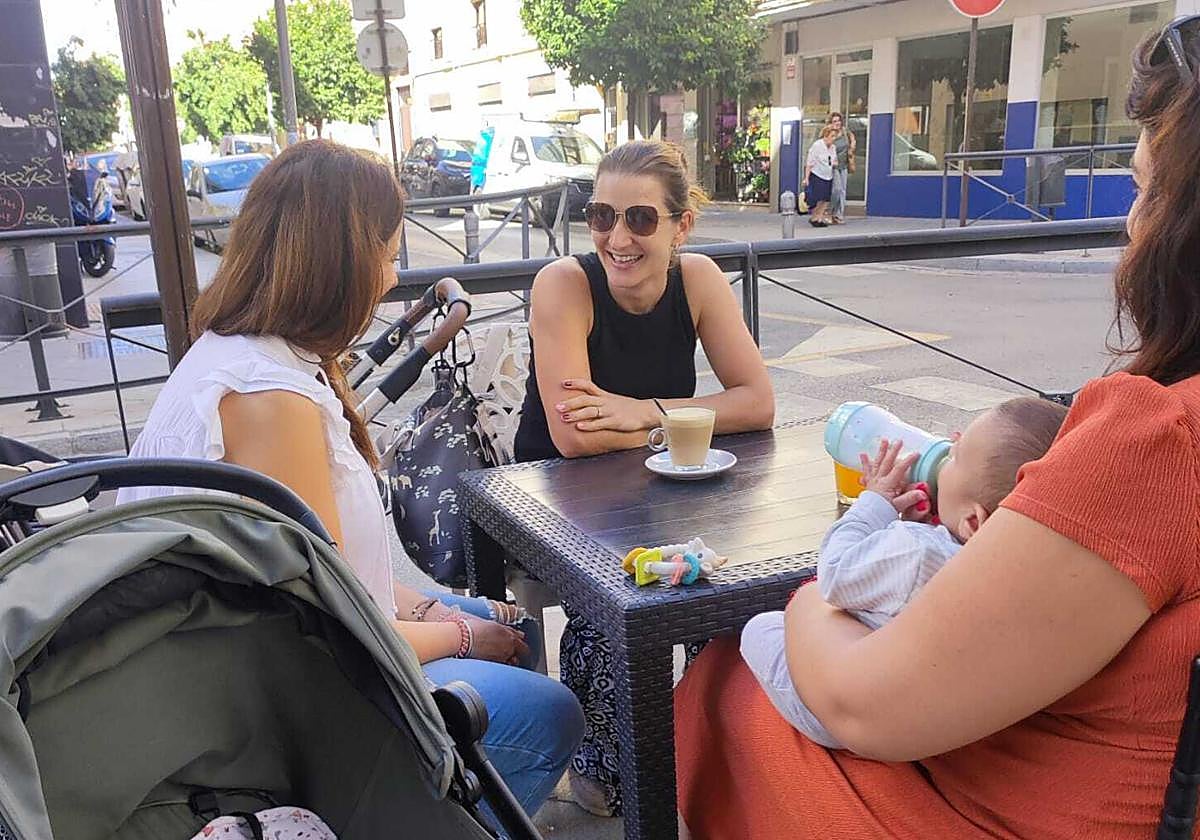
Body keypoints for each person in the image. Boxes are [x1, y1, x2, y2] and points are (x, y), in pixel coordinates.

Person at [674, 17, 1200, 838]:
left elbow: (860, 704)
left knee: (720, 677)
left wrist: (807, 602)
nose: (1131, 227)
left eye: (1144, 191)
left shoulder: (1158, 440)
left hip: (1000, 808)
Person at [116, 139, 583, 827]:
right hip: (292, 707)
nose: (392, 277)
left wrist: (432, 611)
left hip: (264, 661)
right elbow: (332, 631)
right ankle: (411, 814)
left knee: (505, 623)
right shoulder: (269, 399)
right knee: (550, 709)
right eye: (387, 252)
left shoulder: (242, 353)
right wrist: (458, 635)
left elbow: (327, 561)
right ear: (339, 258)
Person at [511, 139, 775, 813]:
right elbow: (573, 438)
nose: (617, 237)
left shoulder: (699, 280)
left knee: (741, 594)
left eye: (641, 220)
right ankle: (605, 764)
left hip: (666, 492)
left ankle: (708, 747)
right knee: (618, 610)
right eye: (601, 216)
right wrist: (682, 420)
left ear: (681, 227)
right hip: (555, 502)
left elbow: (758, 402)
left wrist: (639, 415)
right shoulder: (564, 284)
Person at [741, 398, 1067, 747]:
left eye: (954, 457)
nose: (948, 443)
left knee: (759, 628)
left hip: (844, 710)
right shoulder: (1030, 570)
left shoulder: (915, 549)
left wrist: (875, 503)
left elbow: (835, 571)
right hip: (939, 703)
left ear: (973, 521)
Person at [802, 126, 837, 227]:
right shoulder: (817, 146)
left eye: (835, 136)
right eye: (832, 136)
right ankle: (814, 217)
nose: (834, 138)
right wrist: (806, 178)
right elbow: (810, 162)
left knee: (826, 199)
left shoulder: (833, 148)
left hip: (828, 175)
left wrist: (834, 163)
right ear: (826, 135)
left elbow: (834, 160)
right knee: (817, 198)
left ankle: (819, 217)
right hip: (817, 174)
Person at [828, 112, 856, 224]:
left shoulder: (845, 131)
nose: (837, 123)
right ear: (830, 123)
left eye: (838, 121)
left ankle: (839, 215)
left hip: (844, 164)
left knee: (843, 191)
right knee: (837, 189)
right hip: (833, 166)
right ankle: (830, 211)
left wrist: (852, 146)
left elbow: (853, 137)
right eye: (834, 121)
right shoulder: (829, 133)